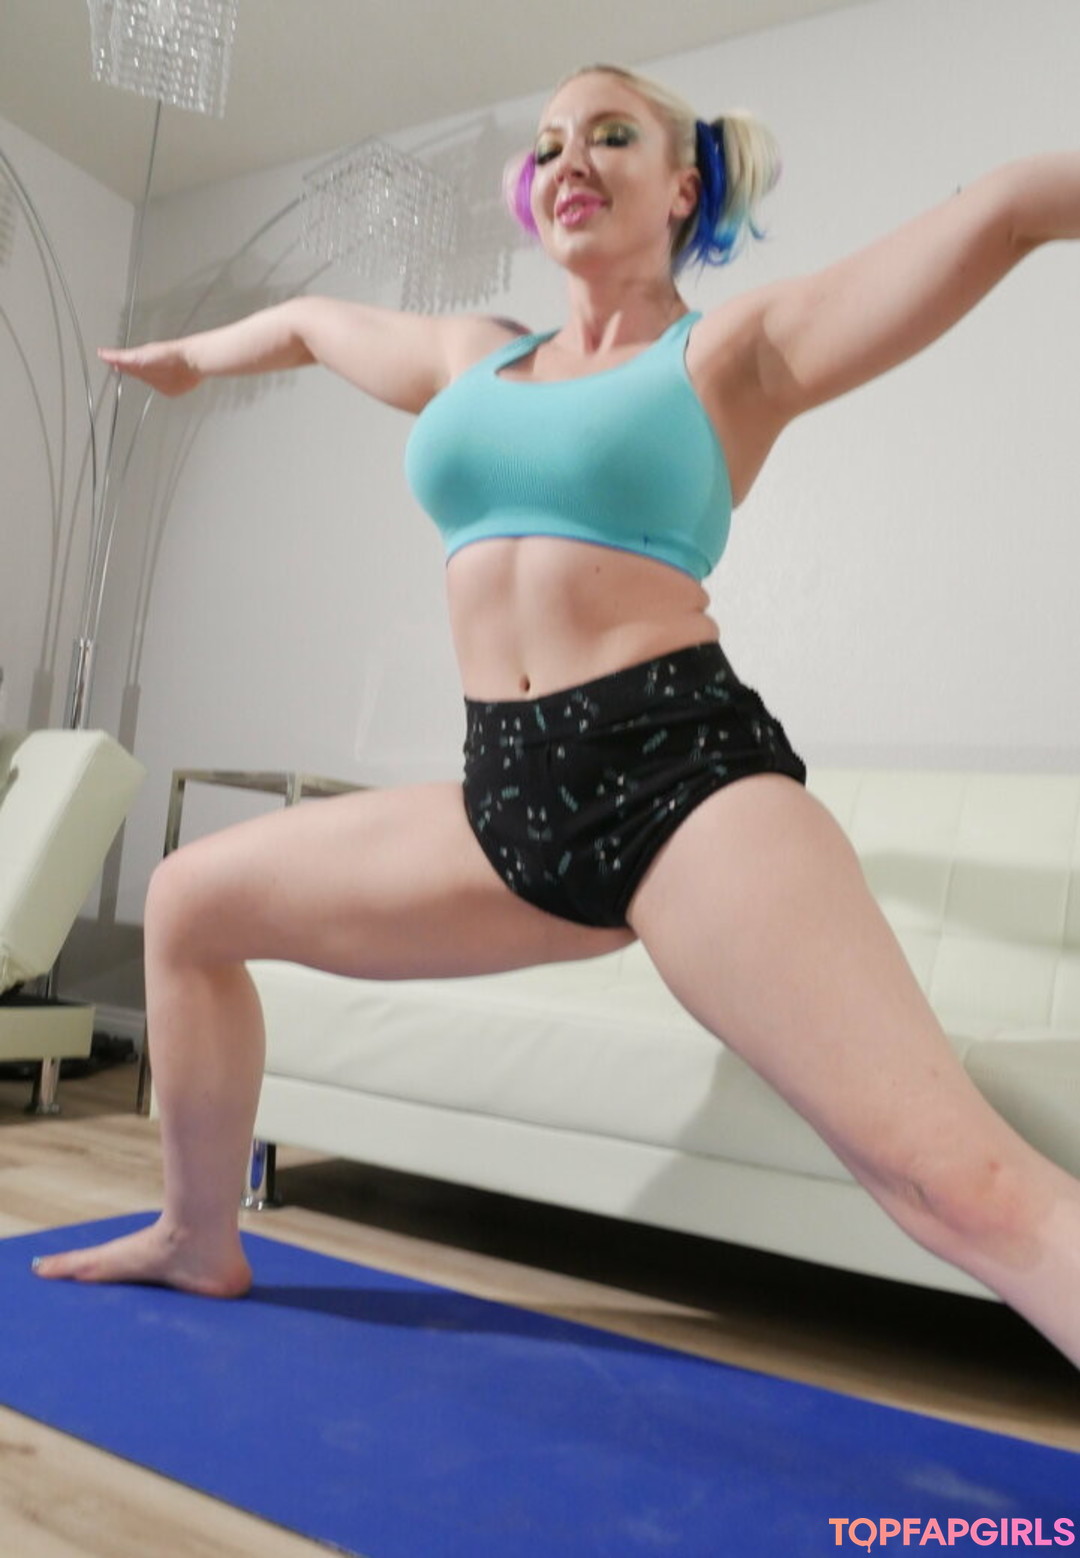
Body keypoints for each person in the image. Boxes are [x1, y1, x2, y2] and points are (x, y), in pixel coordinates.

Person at [34, 64, 1080, 1372]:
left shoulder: (731, 353)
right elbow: (307, 323)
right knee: (190, 903)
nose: (568, 159)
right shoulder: (471, 356)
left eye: (610, 135)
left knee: (952, 1182)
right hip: (505, 802)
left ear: (684, 186)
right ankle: (198, 1233)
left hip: (684, 787)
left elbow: (1009, 209)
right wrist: (194, 357)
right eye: (547, 145)